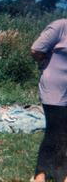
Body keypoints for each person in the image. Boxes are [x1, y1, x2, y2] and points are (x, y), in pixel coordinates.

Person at [31, 18, 67, 182]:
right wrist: (45, 63)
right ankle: (40, 175)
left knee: (63, 132)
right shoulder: (60, 26)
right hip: (54, 88)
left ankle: (61, 173)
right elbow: (36, 49)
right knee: (55, 132)